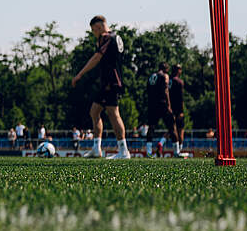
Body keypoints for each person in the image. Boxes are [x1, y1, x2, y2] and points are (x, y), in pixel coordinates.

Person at [71, 16, 131, 159]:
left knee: (113, 113)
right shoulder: (116, 37)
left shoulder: (106, 37)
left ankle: (123, 151)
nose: (94, 34)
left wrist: (79, 74)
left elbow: (97, 57)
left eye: (93, 31)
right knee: (94, 111)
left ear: (98, 27)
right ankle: (96, 148)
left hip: (111, 81)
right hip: (108, 81)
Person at [145, 63, 174, 157]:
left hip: (152, 104)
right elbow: (166, 90)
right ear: (165, 69)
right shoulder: (164, 76)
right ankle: (176, 150)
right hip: (162, 103)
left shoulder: (151, 76)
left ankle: (148, 151)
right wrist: (169, 105)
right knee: (172, 126)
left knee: (151, 127)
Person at [168, 65, 187, 156]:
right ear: (178, 70)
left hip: (169, 107)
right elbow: (180, 98)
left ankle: (161, 142)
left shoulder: (168, 80)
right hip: (177, 108)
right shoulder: (179, 82)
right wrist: (181, 111)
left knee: (172, 128)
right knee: (180, 129)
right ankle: (179, 150)